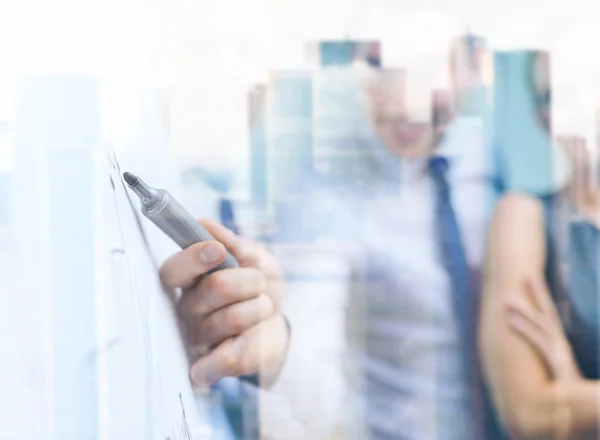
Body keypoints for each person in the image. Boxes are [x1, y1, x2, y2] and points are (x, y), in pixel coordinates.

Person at [479, 49, 600, 439]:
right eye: (554, 97)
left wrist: (576, 394)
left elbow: (562, 411)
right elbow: (530, 414)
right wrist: (563, 405)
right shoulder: (524, 219)